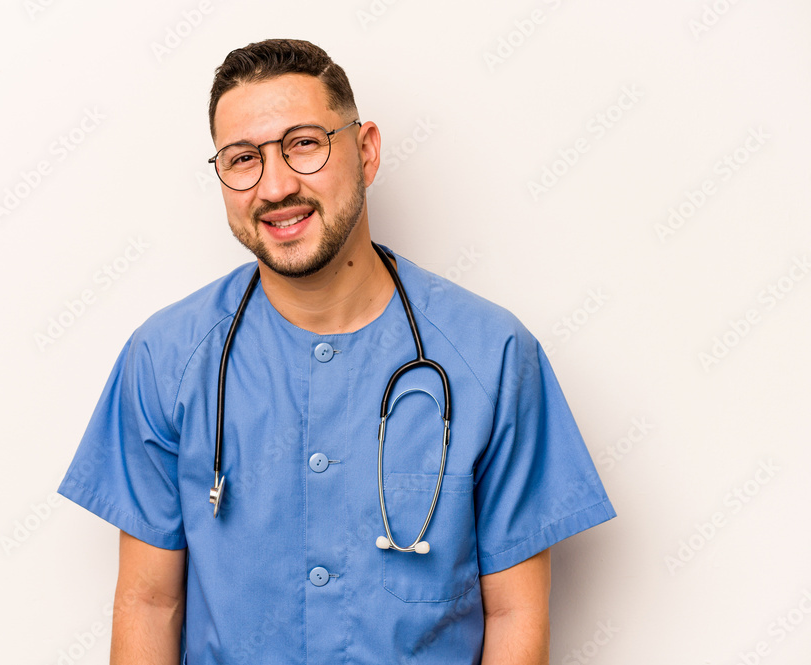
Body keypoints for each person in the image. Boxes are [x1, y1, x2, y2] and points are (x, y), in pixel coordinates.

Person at [58, 38, 616, 665]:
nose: (275, 187)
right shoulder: (164, 359)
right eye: (243, 158)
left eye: (304, 144)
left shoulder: (493, 359)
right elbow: (149, 605)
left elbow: (515, 614)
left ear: (366, 149)